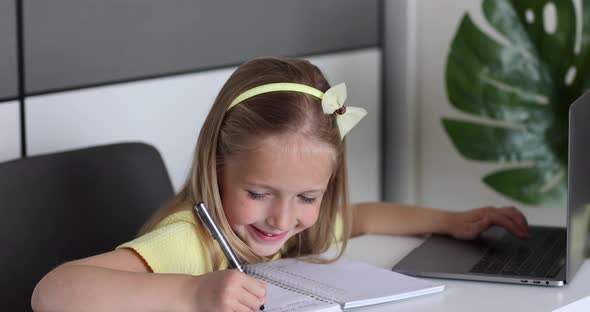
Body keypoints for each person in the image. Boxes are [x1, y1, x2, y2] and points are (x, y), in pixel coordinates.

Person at [31, 57, 529, 312]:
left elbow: (364, 217)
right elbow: (52, 293)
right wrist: (192, 295)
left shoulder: (291, 227)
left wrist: (449, 221)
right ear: (216, 165)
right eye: (258, 193)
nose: (282, 219)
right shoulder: (188, 241)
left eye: (308, 198)